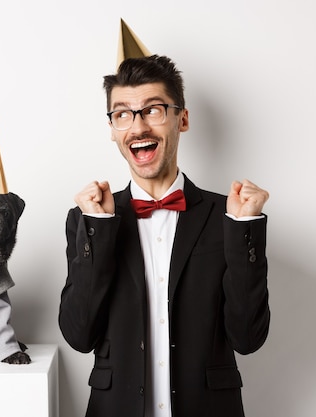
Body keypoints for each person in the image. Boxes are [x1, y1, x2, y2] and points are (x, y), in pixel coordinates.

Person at [58, 55, 271, 417]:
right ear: (113, 129)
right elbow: (80, 336)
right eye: (122, 114)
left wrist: (243, 230)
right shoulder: (89, 219)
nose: (137, 127)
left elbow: (247, 339)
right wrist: (98, 224)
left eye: (153, 110)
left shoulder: (228, 217)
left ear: (182, 119)